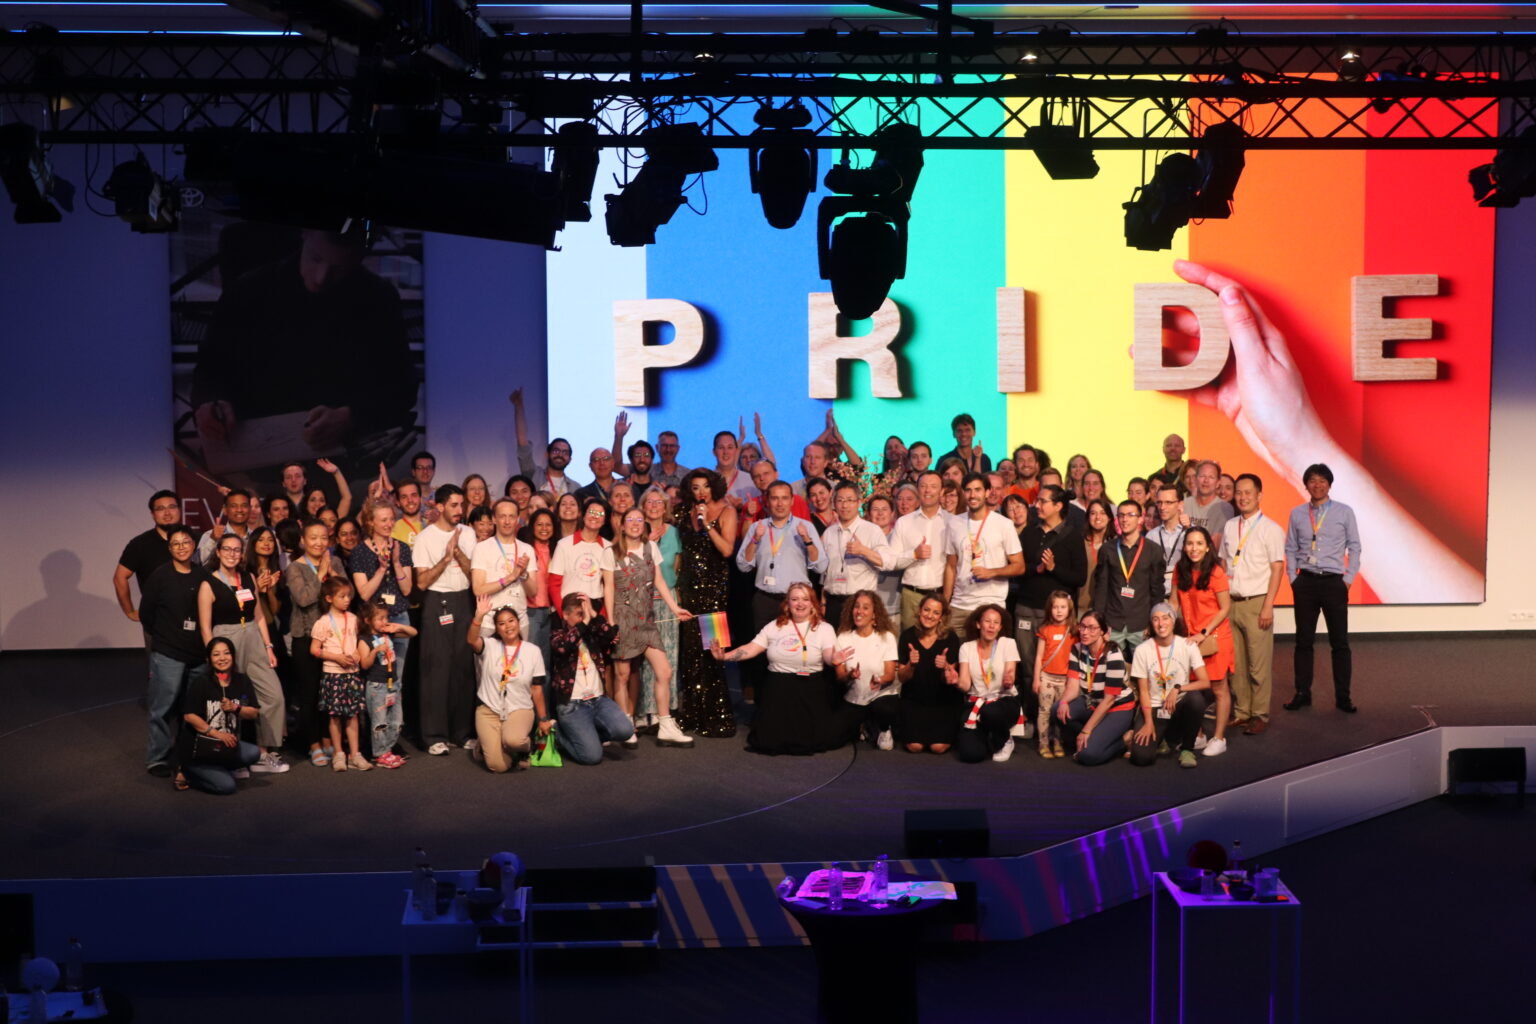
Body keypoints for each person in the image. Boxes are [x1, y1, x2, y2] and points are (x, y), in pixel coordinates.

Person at [191, 229, 415, 461]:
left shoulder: (378, 299)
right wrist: (211, 402)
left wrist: (352, 416)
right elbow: (210, 368)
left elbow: (403, 387)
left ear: (360, 257)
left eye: (339, 267)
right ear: (304, 234)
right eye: (316, 258)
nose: (321, 278)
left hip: (337, 451)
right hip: (254, 445)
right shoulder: (247, 291)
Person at [711, 582, 847, 756]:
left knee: (816, 739)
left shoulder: (824, 628)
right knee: (769, 741)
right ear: (787, 604)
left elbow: (829, 655)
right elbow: (751, 648)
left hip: (810, 688)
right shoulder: (775, 626)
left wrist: (834, 659)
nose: (800, 604)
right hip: (779, 688)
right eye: (794, 599)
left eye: (805, 599)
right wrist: (725, 656)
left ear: (813, 603)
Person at [602, 507, 696, 747]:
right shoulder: (610, 552)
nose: (635, 523)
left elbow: (659, 581)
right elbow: (609, 588)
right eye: (630, 520)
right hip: (623, 620)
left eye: (639, 520)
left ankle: (665, 724)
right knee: (622, 676)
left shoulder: (650, 548)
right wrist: (611, 623)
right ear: (622, 525)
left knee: (664, 671)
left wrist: (675, 608)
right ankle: (625, 725)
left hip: (646, 621)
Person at [198, 532, 287, 773]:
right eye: (226, 549)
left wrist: (268, 646)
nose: (231, 554)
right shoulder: (209, 583)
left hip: (253, 638)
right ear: (218, 552)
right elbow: (205, 626)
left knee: (273, 696)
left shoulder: (248, 577)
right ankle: (233, 757)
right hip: (225, 640)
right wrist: (214, 656)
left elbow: (258, 615)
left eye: (236, 550)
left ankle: (262, 753)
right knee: (230, 700)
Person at [1284, 463, 1362, 713]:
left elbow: (1355, 547)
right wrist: (1292, 579)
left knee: (1340, 643)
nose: (1317, 485)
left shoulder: (1344, 512)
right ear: (1305, 484)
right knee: (1303, 642)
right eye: (1312, 481)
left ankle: (1343, 697)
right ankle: (1302, 693)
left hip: (1333, 582)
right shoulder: (1297, 513)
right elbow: (1290, 547)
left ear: (1330, 484)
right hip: (1305, 581)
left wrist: (1348, 579)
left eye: (1322, 480)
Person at [412, 483, 478, 755]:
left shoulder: (470, 533)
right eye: (453, 505)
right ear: (439, 506)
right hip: (436, 602)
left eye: (461, 505)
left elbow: (474, 574)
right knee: (436, 671)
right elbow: (423, 581)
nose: (459, 510)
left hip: (464, 600)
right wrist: (445, 557)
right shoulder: (425, 537)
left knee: (463, 669)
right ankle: (434, 736)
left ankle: (462, 733)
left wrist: (458, 552)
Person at [674, 469, 740, 737]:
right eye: (695, 487)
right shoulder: (682, 513)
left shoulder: (727, 512)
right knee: (690, 655)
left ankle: (718, 717)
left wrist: (707, 524)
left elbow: (726, 550)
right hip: (688, 588)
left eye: (705, 487)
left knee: (713, 654)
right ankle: (692, 715)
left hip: (714, 591)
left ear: (713, 488)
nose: (700, 492)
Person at [136, 525, 206, 776]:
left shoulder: (203, 574)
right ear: (169, 548)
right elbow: (146, 614)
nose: (181, 547)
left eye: (185, 542)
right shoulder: (160, 576)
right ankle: (157, 757)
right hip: (168, 652)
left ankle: (189, 751)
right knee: (162, 707)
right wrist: (165, 638)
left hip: (199, 654)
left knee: (193, 708)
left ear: (194, 545)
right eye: (175, 543)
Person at [1220, 473, 1286, 735]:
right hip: (1232, 602)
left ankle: (1259, 714)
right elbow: (1224, 562)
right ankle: (1242, 711)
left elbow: (1277, 568)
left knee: (1258, 664)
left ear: (1259, 495)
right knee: (1235, 663)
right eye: (1239, 492)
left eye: (1248, 492)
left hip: (1257, 602)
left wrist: (1268, 605)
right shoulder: (1229, 525)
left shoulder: (1271, 529)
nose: (1243, 497)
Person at [466, 596, 550, 772]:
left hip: (519, 709)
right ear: (497, 628)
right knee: (498, 767)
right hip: (489, 710)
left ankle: (524, 748)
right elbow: (472, 640)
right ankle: (487, 744)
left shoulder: (532, 651)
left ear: (518, 623)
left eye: (511, 621)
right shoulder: (490, 646)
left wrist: (543, 719)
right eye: (502, 623)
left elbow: (537, 688)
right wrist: (479, 616)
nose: (508, 626)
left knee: (513, 740)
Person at [548, 593, 634, 764]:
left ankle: (588, 737)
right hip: (573, 705)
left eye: (585, 613)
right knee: (591, 757)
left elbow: (610, 635)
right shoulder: (557, 634)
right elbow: (565, 646)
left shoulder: (591, 632)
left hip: (598, 700)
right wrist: (585, 622)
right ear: (565, 615)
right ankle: (557, 731)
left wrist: (594, 615)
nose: (584, 617)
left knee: (625, 731)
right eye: (580, 614)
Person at [1015, 484, 1087, 688]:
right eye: (1037, 500)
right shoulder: (1029, 532)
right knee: (1028, 665)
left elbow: (1079, 577)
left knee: (1057, 666)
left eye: (1042, 501)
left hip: (1058, 615)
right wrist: (1036, 569)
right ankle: (1029, 712)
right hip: (1027, 608)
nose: (1036, 505)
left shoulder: (1072, 537)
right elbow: (1018, 568)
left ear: (1058, 506)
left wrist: (1053, 568)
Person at [1128, 603, 1213, 769]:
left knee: (1195, 700)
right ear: (1151, 624)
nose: (1161, 624)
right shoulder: (1142, 650)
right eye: (1155, 619)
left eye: (1165, 618)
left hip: (1178, 704)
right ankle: (1163, 738)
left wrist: (1177, 688)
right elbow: (1144, 691)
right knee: (1141, 758)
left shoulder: (1187, 646)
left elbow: (1205, 682)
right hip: (1155, 707)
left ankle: (1187, 749)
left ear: (1173, 621)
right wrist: (1148, 722)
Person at [1173, 526, 1233, 757]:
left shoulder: (1216, 572)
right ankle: (1198, 735)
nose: (1194, 548)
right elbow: (1174, 601)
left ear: (1208, 546)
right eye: (1190, 543)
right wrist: (1163, 619)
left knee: (1218, 688)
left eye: (1199, 543)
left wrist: (1204, 632)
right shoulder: (1181, 569)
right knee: (1191, 690)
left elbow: (1225, 607)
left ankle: (1219, 738)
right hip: (1190, 639)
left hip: (1214, 637)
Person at [176, 637, 263, 795]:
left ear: (233, 656)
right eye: (216, 654)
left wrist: (236, 708)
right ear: (209, 659)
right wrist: (218, 734)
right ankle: (188, 772)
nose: (222, 658)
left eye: (226, 653)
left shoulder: (242, 680)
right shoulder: (201, 682)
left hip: (223, 748)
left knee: (254, 753)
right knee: (227, 787)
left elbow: (254, 712)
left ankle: (218, 768)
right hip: (200, 750)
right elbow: (189, 716)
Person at [943, 473, 1024, 634]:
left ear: (987, 492)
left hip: (992, 605)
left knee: (988, 658)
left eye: (978, 490)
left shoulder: (1004, 524)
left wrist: (991, 572)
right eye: (968, 490)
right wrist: (945, 604)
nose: (973, 495)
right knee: (955, 657)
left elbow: (1019, 566)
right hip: (960, 605)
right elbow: (951, 567)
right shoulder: (954, 523)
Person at [285, 521, 336, 766]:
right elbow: (304, 599)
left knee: (329, 693)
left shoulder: (334, 564)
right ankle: (313, 743)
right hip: (305, 638)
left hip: (334, 639)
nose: (318, 542)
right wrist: (320, 573)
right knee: (309, 694)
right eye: (313, 537)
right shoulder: (295, 567)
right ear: (303, 540)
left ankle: (328, 739)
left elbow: (346, 594)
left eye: (323, 537)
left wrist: (331, 572)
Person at [1092, 499, 1167, 657]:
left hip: (1141, 623)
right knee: (1108, 670)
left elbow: (1157, 590)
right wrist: (1101, 624)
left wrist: (1152, 622)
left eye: (1130, 515)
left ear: (1140, 518)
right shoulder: (1108, 549)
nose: (1125, 519)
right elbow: (1101, 589)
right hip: (1113, 623)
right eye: (1121, 515)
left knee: (1144, 673)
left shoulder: (1153, 550)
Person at [310, 577, 369, 772]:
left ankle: (355, 754)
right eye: (342, 596)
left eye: (349, 596)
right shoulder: (323, 622)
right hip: (333, 673)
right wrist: (336, 657)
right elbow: (315, 649)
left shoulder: (353, 619)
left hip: (352, 673)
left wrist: (358, 653)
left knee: (352, 715)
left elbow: (359, 641)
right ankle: (338, 754)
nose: (347, 600)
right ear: (329, 598)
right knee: (334, 716)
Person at [819, 481, 896, 629]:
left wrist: (863, 550)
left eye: (849, 500)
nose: (845, 505)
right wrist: (823, 600)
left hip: (859, 603)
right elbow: (825, 571)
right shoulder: (829, 532)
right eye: (840, 501)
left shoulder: (872, 530)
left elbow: (888, 563)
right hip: (833, 601)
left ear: (859, 503)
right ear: (834, 504)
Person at [636, 487, 684, 726]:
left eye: (659, 502)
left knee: (669, 655)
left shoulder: (674, 532)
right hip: (642, 600)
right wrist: (647, 543)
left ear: (665, 508)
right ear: (643, 506)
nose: (654, 506)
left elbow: (675, 566)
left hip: (668, 600)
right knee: (646, 658)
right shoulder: (636, 531)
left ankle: (664, 710)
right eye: (649, 502)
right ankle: (645, 710)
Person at [895, 594, 965, 754]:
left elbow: (950, 680)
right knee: (915, 747)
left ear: (941, 617)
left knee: (938, 747)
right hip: (914, 700)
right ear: (919, 611)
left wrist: (945, 667)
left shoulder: (951, 638)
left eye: (935, 612)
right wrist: (911, 665)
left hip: (942, 701)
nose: (930, 615)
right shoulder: (907, 636)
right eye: (926, 610)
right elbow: (902, 678)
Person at [1064, 611, 1133, 766]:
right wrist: (1063, 703)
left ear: (1102, 631)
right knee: (1059, 711)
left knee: (1088, 756)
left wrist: (1086, 730)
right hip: (1093, 703)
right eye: (1082, 627)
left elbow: (1110, 700)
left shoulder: (1113, 654)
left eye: (1091, 628)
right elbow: (1073, 687)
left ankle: (1124, 740)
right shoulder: (1077, 649)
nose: (1085, 632)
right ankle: (1096, 737)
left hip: (1117, 707)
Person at [954, 604, 1022, 763]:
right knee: (970, 755)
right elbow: (965, 684)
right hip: (977, 703)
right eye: (987, 621)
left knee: (990, 712)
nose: (991, 626)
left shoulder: (1008, 643)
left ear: (1000, 627)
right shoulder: (967, 647)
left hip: (1003, 701)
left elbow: (1010, 673)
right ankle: (986, 735)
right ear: (978, 624)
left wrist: (1008, 680)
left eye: (996, 622)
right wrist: (955, 681)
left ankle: (1005, 740)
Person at [834, 590, 900, 749]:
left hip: (880, 696)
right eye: (856, 607)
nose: (859, 611)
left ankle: (884, 729)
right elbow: (840, 677)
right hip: (855, 697)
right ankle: (864, 724)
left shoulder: (887, 637)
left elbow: (890, 675)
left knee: (883, 709)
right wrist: (850, 675)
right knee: (835, 739)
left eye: (865, 608)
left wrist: (879, 680)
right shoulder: (843, 637)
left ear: (874, 614)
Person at [357, 599, 415, 768]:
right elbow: (365, 665)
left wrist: (399, 627)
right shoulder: (364, 640)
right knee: (379, 723)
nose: (384, 621)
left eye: (385, 617)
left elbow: (413, 633)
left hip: (393, 684)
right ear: (368, 620)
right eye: (380, 618)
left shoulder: (388, 633)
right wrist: (375, 651)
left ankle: (387, 750)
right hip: (377, 686)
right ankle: (380, 754)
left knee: (396, 722)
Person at [114, 489, 186, 626]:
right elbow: (119, 577)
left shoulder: (195, 538)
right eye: (160, 509)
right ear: (153, 514)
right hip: (157, 619)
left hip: (194, 617)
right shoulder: (140, 544)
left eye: (172, 507)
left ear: (179, 510)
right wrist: (129, 611)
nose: (167, 513)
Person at [892, 471, 950, 631]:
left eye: (933, 486)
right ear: (918, 490)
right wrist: (914, 554)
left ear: (942, 491)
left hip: (940, 594)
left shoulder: (951, 522)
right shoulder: (904, 522)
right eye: (923, 486)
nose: (927, 490)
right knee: (910, 647)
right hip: (912, 595)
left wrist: (946, 597)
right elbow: (893, 561)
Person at [471, 498, 539, 636]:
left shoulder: (527, 549)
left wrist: (523, 574)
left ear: (518, 519)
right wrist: (511, 577)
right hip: (489, 621)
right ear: (494, 519)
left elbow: (533, 592)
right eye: (502, 516)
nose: (507, 521)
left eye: (511, 516)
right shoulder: (482, 548)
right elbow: (478, 590)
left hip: (519, 621)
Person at [1030, 590, 1077, 759]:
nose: (1059, 611)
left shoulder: (1074, 630)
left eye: (1063, 607)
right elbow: (1038, 657)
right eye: (1055, 607)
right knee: (1044, 712)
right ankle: (1043, 743)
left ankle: (1058, 742)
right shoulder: (1045, 629)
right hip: (1047, 677)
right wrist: (1036, 678)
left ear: (1069, 609)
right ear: (1049, 608)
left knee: (1059, 713)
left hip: (1065, 680)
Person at [511, 388, 581, 496]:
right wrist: (519, 407)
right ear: (547, 454)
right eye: (556, 451)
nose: (560, 455)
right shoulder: (533, 474)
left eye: (565, 452)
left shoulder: (576, 487)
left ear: (570, 459)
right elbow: (523, 444)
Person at [549, 497, 612, 612]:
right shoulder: (564, 544)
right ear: (583, 516)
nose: (595, 516)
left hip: (596, 609)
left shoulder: (608, 548)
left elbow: (610, 585)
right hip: (568, 607)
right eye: (591, 512)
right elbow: (554, 584)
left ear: (604, 520)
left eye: (600, 514)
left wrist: (603, 615)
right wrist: (564, 613)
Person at [520, 507, 559, 673]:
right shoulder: (526, 549)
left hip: (552, 613)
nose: (544, 528)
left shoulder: (557, 548)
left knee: (547, 664)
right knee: (533, 664)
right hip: (531, 611)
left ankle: (544, 699)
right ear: (532, 527)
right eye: (539, 524)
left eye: (548, 525)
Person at [865, 494, 903, 620]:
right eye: (875, 510)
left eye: (884, 509)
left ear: (892, 514)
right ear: (868, 514)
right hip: (866, 606)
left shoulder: (899, 538)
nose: (880, 513)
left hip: (892, 606)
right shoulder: (862, 538)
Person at [1147, 485, 1187, 603]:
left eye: (1168, 502)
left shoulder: (1189, 533)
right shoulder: (1151, 536)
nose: (1162, 507)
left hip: (1183, 599)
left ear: (1180, 504)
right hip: (1157, 599)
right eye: (1159, 502)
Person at [195, 489, 255, 566]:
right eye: (234, 506)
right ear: (225, 510)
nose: (239, 510)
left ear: (250, 509)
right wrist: (213, 540)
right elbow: (196, 563)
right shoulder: (210, 535)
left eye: (244, 506)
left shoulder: (256, 537)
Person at [1077, 498, 1114, 614]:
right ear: (1088, 517)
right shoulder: (1080, 543)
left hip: (1107, 607)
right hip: (1081, 606)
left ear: (1109, 517)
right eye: (1093, 513)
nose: (1098, 517)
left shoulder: (1116, 544)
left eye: (1102, 513)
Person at [1183, 460, 1235, 536]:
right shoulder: (1184, 504)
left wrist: (1188, 527)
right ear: (1196, 479)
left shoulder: (1224, 508)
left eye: (1211, 477)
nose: (1206, 480)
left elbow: (1215, 545)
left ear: (1218, 483)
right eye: (1202, 476)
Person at [391, 480, 426, 544]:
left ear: (420, 499)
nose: (410, 500)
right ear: (398, 502)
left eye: (414, 495)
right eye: (404, 497)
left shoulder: (431, 524)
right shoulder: (392, 529)